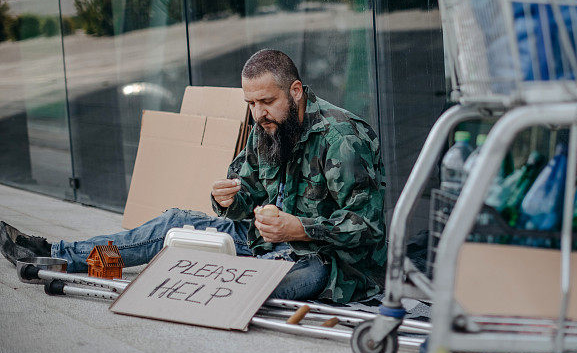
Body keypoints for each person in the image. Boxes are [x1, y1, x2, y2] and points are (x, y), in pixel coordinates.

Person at [0, 49, 387, 303]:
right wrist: (228, 200)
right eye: (250, 103)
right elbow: (246, 192)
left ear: (297, 92)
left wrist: (298, 229)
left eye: (267, 102)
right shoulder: (265, 126)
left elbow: (368, 227)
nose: (257, 114)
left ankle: (238, 279)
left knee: (252, 282)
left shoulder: (342, 140)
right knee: (174, 224)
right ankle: (56, 255)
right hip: (264, 241)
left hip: (324, 262)